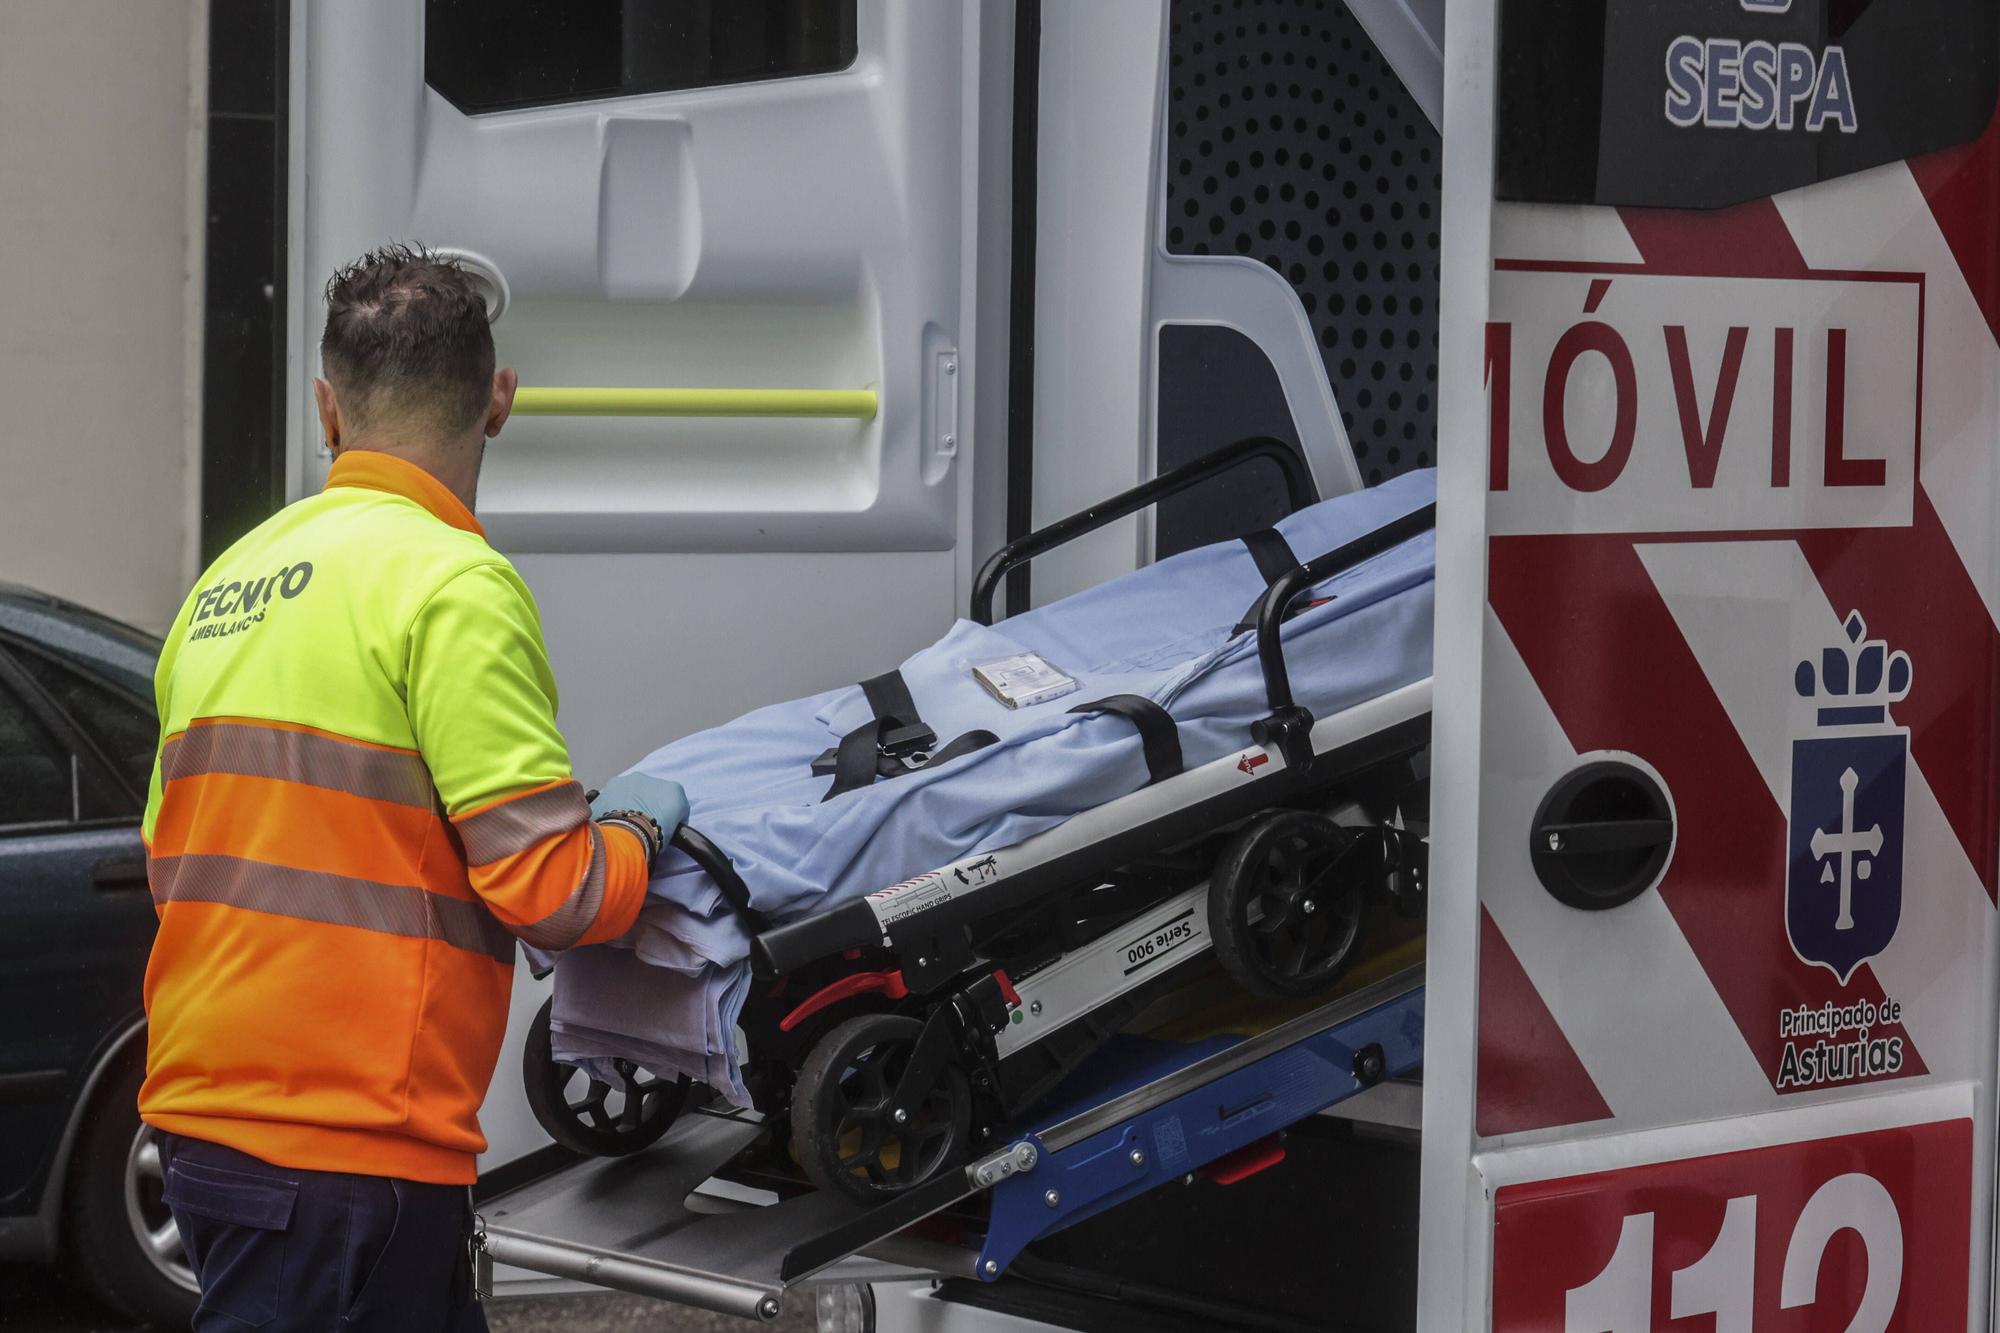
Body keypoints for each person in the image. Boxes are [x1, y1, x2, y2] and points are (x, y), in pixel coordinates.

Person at [137, 244, 685, 1330]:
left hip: (205, 1122)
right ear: (499, 401)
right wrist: (637, 824)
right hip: (345, 1153)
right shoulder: (451, 582)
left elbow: (174, 853)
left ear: (326, 409)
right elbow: (553, 892)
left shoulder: (228, 581)